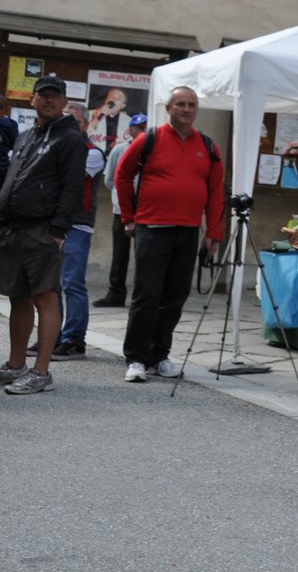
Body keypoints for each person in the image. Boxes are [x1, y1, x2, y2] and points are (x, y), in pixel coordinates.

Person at [115, 86, 224, 383]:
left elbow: (216, 193)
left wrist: (213, 232)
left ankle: (159, 355)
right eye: (180, 104)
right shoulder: (148, 139)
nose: (186, 109)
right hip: (152, 229)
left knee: (175, 297)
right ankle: (136, 358)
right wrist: (128, 217)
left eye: (191, 105)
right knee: (146, 295)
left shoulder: (209, 147)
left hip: (188, 231)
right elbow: (122, 176)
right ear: (169, 108)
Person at [0, 75, 88, 395]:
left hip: (43, 230)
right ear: (32, 100)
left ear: (64, 103)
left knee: (45, 298)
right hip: (13, 228)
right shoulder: (23, 137)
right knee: (18, 297)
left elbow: (72, 188)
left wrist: (58, 231)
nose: (49, 100)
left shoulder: (70, 139)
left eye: (55, 96)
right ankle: (15, 365)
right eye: (43, 95)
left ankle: (41, 371)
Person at [45, 102, 105, 359]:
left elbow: (64, 177)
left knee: (72, 283)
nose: (68, 125)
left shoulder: (92, 152)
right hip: (53, 224)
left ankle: (74, 340)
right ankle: (53, 336)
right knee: (51, 285)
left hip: (77, 225)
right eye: (65, 119)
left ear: (84, 125)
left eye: (74, 120)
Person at [94, 113, 146, 308]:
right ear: (131, 130)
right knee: (119, 254)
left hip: (144, 210)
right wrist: (119, 197)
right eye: (139, 127)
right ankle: (116, 292)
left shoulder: (151, 150)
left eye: (145, 128)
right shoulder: (119, 150)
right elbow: (110, 180)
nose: (142, 131)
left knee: (144, 255)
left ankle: (140, 295)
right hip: (121, 210)